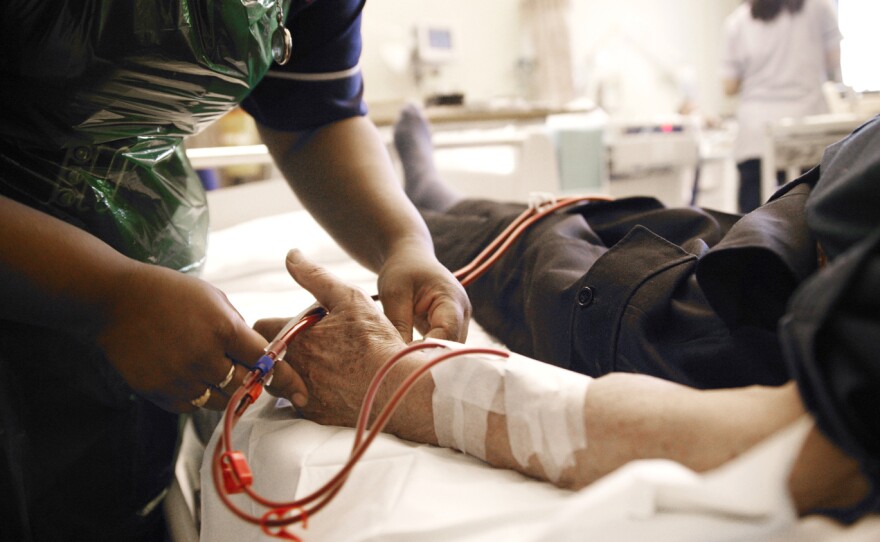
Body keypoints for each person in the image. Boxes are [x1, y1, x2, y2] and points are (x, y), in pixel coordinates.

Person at [260, 103, 880, 522]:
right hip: (820, 205)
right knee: (634, 224)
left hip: (779, 296)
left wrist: (398, 384)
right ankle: (438, 203)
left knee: (544, 255)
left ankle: (437, 204)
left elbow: (799, 447)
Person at [0, 3, 468, 541]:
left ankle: (436, 201)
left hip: (136, 292)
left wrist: (403, 243)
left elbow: (313, 114)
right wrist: (107, 296)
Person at [721, 0, 842, 213]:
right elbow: (833, 61)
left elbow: (729, 86)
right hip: (808, 128)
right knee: (811, 213)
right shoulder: (820, 7)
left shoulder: (738, 20)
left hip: (756, 133)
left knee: (752, 220)